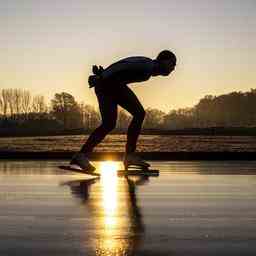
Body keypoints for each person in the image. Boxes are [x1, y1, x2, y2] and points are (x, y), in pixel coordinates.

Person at [70, 50, 177, 172]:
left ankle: (81, 156)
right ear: (163, 60)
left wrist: (103, 74)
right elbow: (122, 65)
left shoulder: (147, 66)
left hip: (107, 85)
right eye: (172, 63)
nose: (173, 68)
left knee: (109, 124)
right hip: (109, 85)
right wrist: (102, 76)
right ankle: (129, 156)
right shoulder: (147, 66)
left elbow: (123, 65)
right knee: (139, 114)